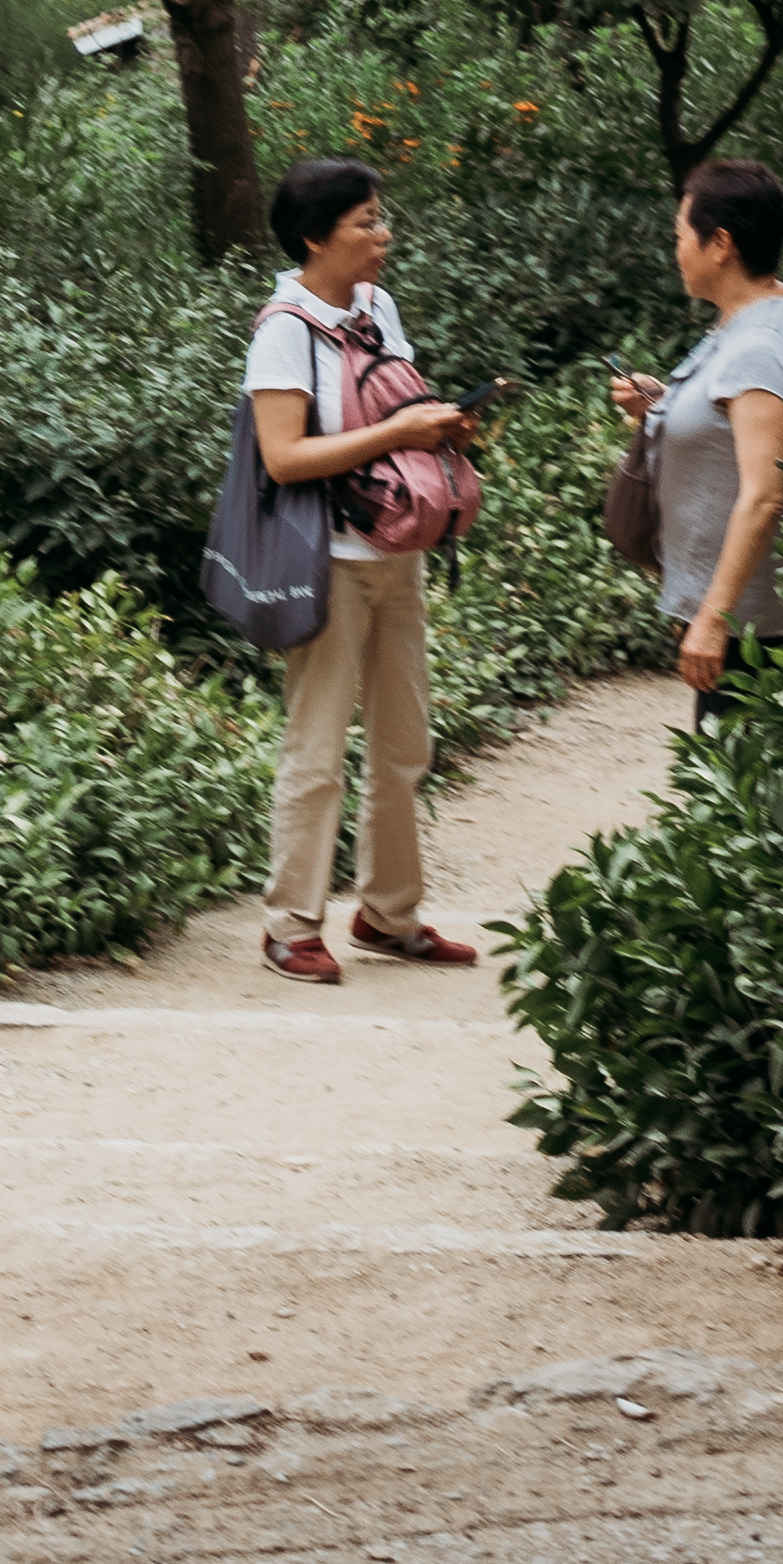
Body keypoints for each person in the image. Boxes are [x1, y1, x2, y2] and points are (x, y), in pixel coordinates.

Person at [246, 152, 487, 981]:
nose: (383, 237)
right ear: (317, 239)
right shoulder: (283, 329)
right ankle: (290, 926)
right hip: (329, 561)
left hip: (396, 549)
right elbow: (283, 457)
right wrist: (398, 437)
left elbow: (394, 402)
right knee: (316, 747)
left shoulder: (377, 306)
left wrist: (438, 425)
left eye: (383, 219)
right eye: (367, 224)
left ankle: (389, 916)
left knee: (403, 743)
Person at [608, 154, 783, 716]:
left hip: (742, 630)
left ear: (720, 243)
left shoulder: (758, 347)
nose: (675, 248)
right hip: (743, 621)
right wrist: (663, 403)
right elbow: (733, 423)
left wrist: (714, 617)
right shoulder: (763, 314)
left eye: (681, 234)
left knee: (742, 782)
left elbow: (764, 494)